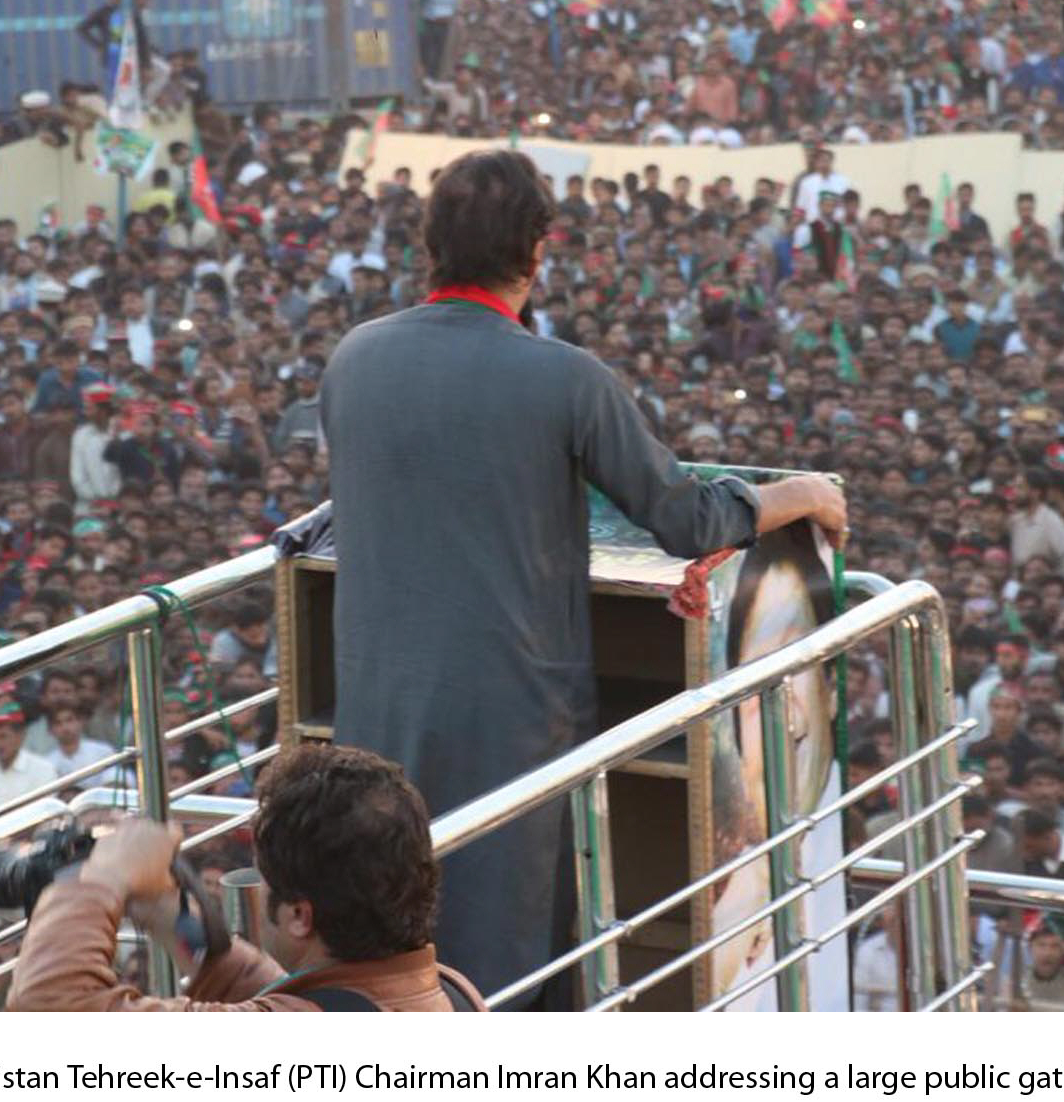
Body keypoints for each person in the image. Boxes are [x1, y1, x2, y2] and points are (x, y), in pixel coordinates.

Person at [318, 150, 846, 1002]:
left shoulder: (353, 358)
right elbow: (684, 518)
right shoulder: (563, 377)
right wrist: (798, 494)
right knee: (501, 967)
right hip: (514, 732)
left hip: (376, 715)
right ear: (537, 250)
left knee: (390, 945)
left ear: (431, 247)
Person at [7, 744, 484, 1011]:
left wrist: (100, 880)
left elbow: (46, 1016)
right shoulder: (451, 991)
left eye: (266, 883)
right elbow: (319, 997)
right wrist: (175, 919)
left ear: (299, 915)